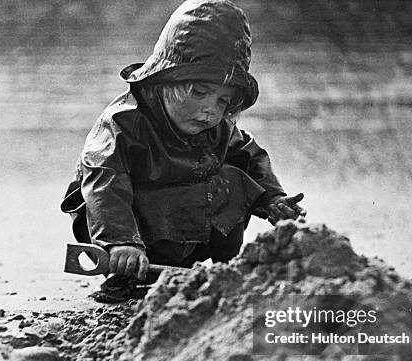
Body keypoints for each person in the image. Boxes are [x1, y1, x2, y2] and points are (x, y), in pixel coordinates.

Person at [61, 0, 306, 302]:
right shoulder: (124, 123)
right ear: (165, 80)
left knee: (234, 178)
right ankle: (125, 277)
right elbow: (103, 180)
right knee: (117, 197)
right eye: (200, 92)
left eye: (222, 101)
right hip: (130, 229)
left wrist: (273, 198)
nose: (209, 110)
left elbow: (249, 154)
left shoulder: (217, 127)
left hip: (188, 225)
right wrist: (121, 242)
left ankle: (222, 269)